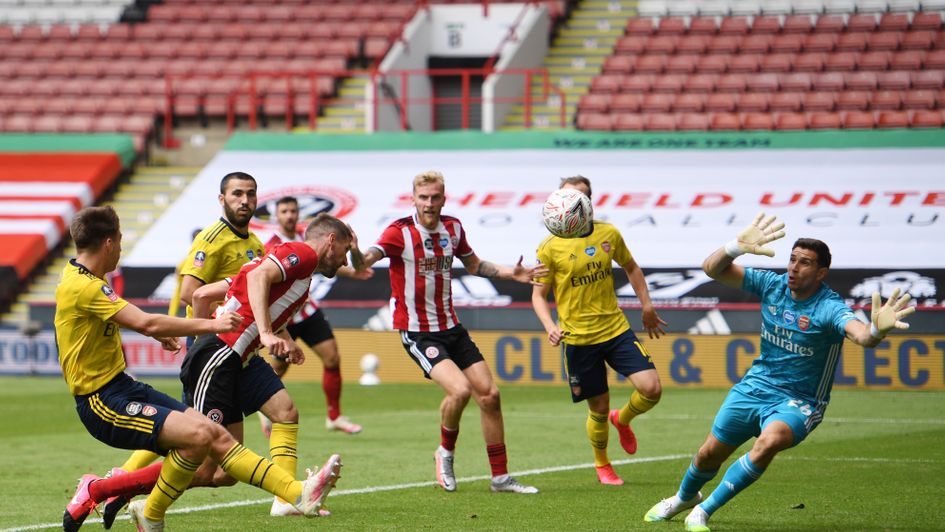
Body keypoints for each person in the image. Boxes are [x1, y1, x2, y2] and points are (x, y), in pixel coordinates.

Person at [57, 206, 341, 532]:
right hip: (100, 399)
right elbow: (148, 320)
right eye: (120, 242)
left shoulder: (92, 281)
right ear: (109, 243)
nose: (120, 250)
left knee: (212, 445)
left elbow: (130, 322)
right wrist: (210, 324)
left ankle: (136, 507)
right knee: (203, 444)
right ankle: (297, 494)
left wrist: (167, 334)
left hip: (124, 385)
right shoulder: (82, 286)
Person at [643, 213, 915, 532]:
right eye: (792, 259)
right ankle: (683, 498)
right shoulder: (772, 285)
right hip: (755, 386)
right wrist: (734, 247)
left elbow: (862, 336)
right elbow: (711, 269)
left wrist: (877, 330)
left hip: (799, 401)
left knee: (770, 441)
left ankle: (704, 510)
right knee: (708, 455)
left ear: (821, 271)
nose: (794, 268)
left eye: (805, 263)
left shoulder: (829, 307)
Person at [350, 170, 544, 495]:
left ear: (443, 198)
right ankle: (445, 453)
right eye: (423, 197)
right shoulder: (399, 233)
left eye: (434, 197)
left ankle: (500, 478)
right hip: (417, 332)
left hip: (451, 327)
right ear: (413, 198)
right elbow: (362, 262)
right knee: (460, 392)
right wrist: (355, 252)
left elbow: (475, 265)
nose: (428, 203)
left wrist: (513, 273)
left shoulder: (452, 228)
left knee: (490, 396)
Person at [182, 212, 354, 517]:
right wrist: (261, 332)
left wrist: (284, 338)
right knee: (202, 458)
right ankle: (121, 487)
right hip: (222, 353)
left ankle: (286, 502)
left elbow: (220, 292)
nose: (344, 262)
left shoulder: (294, 267)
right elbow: (257, 278)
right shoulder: (301, 254)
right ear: (331, 240)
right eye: (345, 251)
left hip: (239, 358)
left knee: (275, 423)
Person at [531, 176, 667, 486]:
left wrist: (646, 305)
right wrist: (550, 326)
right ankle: (602, 463)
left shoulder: (608, 233)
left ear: (588, 201)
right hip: (579, 340)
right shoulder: (550, 246)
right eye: (567, 195)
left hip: (616, 329)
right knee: (599, 407)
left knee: (652, 388)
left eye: (580, 195)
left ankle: (624, 419)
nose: (572, 200)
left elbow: (631, 267)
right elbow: (539, 295)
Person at [258, 195, 371, 438]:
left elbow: (329, 263)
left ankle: (335, 416)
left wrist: (353, 268)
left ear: (299, 213)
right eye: (284, 211)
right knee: (278, 367)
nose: (289, 215)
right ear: (276, 216)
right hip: (286, 316)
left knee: (332, 357)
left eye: (293, 210)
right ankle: (264, 405)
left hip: (308, 310)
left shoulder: (309, 237)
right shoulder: (272, 245)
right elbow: (264, 280)